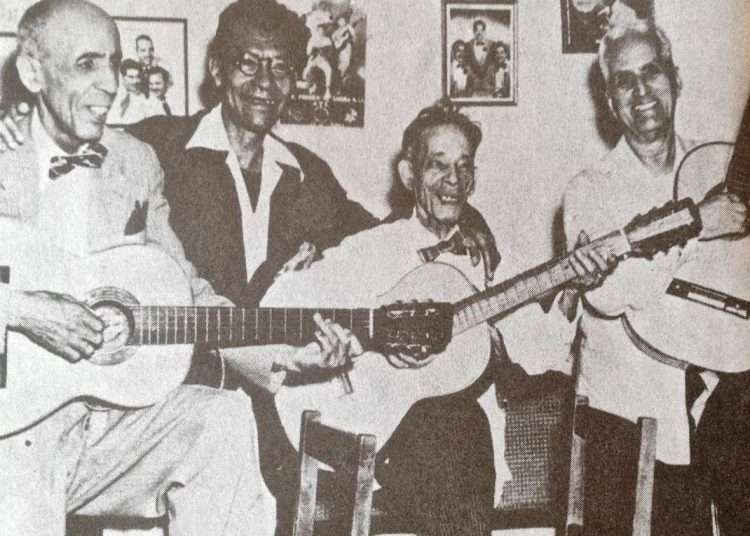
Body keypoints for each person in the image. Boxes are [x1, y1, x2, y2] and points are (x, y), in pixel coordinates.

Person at [0, 1, 361, 534]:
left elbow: (188, 289)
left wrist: (288, 352)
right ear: (32, 72)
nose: (110, 86)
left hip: (108, 430)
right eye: (86, 65)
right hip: (13, 431)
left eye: (115, 65)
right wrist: (27, 311)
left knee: (224, 420)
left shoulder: (135, 160)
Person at [264, 102, 613, 535]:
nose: (454, 179)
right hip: (368, 427)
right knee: (453, 425)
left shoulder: (487, 264)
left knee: (455, 420)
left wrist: (573, 285)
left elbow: (541, 354)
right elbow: (282, 301)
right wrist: (329, 349)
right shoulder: (369, 249)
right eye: (438, 165)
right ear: (410, 175)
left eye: (465, 166)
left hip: (459, 462)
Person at [562, 19, 748, 535]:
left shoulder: (718, 168)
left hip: (728, 407)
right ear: (609, 99)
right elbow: (611, 292)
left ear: (676, 78)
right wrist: (697, 226)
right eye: (624, 80)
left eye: (652, 72)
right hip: (634, 425)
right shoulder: (590, 191)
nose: (642, 91)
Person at [107, 58, 162, 124]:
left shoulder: (146, 99)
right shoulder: (113, 96)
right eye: (131, 77)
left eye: (138, 77)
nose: (135, 81)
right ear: (122, 77)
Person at [465, 19, 496, 97]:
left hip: (489, 89)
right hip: (473, 89)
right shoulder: (468, 46)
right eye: (477, 30)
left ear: (485, 31)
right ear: (473, 31)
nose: (479, 33)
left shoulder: (492, 45)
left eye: (481, 30)